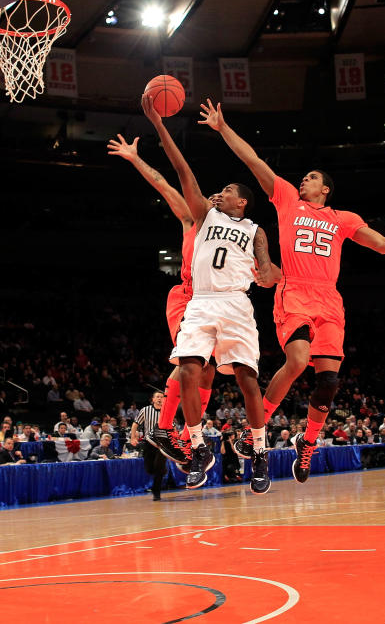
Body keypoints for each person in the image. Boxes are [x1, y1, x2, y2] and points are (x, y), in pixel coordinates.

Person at [198, 98, 385, 484]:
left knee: (329, 382)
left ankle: (308, 441)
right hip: (296, 291)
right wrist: (222, 128)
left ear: (326, 190)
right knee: (298, 359)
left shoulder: (343, 219)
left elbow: (382, 244)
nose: (304, 181)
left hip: (330, 299)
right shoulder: (286, 200)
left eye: (312, 178)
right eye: (304, 178)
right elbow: (254, 162)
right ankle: (257, 429)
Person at [111, 98, 275, 495]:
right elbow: (176, 175)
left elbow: (269, 275)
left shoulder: (254, 230)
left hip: (235, 301)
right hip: (194, 296)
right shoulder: (198, 214)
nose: (220, 192)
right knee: (190, 369)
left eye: (228, 190)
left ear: (242, 202)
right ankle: (187, 439)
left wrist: (269, 275)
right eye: (217, 189)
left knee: (243, 379)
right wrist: (153, 132)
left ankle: (258, 450)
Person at [108, 96, 220, 468]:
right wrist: (136, 158)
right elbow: (163, 182)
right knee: (192, 362)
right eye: (211, 195)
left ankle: (186, 439)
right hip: (187, 297)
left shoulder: (230, 235)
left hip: (214, 302)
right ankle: (165, 427)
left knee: (208, 370)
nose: (213, 199)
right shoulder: (191, 218)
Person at [131, 391, 170, 501]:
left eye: (162, 397)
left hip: (162, 444)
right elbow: (135, 424)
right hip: (148, 442)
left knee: (159, 466)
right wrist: (132, 437)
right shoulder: (145, 410)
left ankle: (156, 491)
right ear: (152, 399)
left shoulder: (167, 411)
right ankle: (162, 470)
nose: (159, 399)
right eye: (157, 397)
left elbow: (172, 427)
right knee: (149, 468)